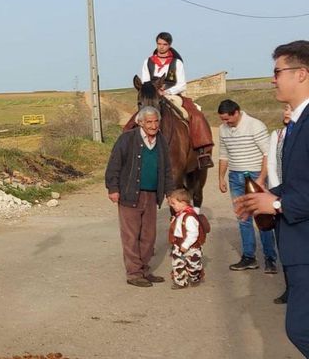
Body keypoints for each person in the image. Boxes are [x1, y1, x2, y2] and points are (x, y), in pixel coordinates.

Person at [236, 40, 309, 356]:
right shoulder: (296, 124)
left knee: (300, 329)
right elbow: (299, 182)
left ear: (301, 74)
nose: (272, 78)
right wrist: (265, 197)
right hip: (297, 245)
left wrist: (277, 205)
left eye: (278, 71)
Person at [105, 106, 176, 287]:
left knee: (148, 236)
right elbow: (114, 164)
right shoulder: (127, 139)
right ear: (141, 122)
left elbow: (167, 169)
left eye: (156, 121)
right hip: (130, 194)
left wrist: (170, 192)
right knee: (131, 235)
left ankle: (144, 270)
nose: (153, 125)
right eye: (149, 122)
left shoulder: (161, 140)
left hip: (151, 195)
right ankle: (134, 274)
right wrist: (113, 188)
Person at [138, 32, 215, 169]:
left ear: (169, 45)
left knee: (195, 114)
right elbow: (145, 83)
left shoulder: (176, 62)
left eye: (165, 44)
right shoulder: (148, 62)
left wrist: (166, 92)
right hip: (152, 96)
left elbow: (181, 84)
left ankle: (203, 152)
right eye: (159, 44)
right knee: (134, 120)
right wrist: (154, 92)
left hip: (172, 95)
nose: (161, 47)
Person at [217, 98, 277, 273]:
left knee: (262, 218)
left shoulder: (255, 126)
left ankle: (270, 258)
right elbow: (223, 154)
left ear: (236, 112)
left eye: (227, 119)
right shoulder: (223, 129)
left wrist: (261, 179)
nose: (225, 122)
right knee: (243, 218)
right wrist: (221, 177)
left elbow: (268, 154)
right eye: (222, 119)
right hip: (235, 176)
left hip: (255, 175)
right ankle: (249, 257)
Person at [268, 104, 292, 304]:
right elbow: (272, 166)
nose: (286, 111)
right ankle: (289, 287)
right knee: (284, 245)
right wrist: (276, 195)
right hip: (281, 196)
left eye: (291, 108)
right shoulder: (277, 135)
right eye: (285, 108)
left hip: (299, 197)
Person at [168, 189, 206, 290]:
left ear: (183, 202)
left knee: (193, 265)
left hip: (191, 246)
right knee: (177, 264)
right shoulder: (179, 214)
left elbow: (193, 234)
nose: (172, 205)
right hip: (177, 244)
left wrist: (185, 245)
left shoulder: (189, 217)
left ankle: (195, 276)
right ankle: (180, 281)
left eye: (174, 203)